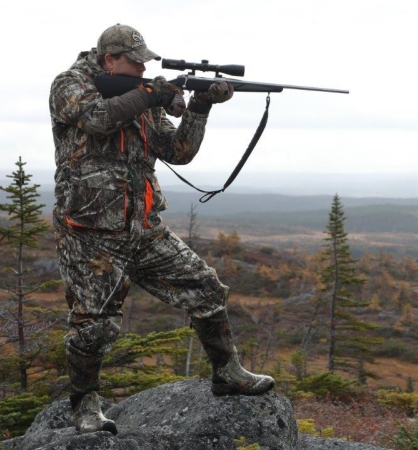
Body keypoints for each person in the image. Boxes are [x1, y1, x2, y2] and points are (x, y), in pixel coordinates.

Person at [49, 24, 274, 435]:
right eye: (135, 63)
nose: (142, 69)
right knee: (94, 324)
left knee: (206, 290)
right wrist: (152, 93)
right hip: (90, 230)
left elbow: (178, 152)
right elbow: (99, 120)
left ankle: (228, 373)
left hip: (142, 226)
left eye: (145, 64)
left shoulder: (143, 95)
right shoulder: (70, 85)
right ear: (109, 60)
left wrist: (200, 107)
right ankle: (85, 407)